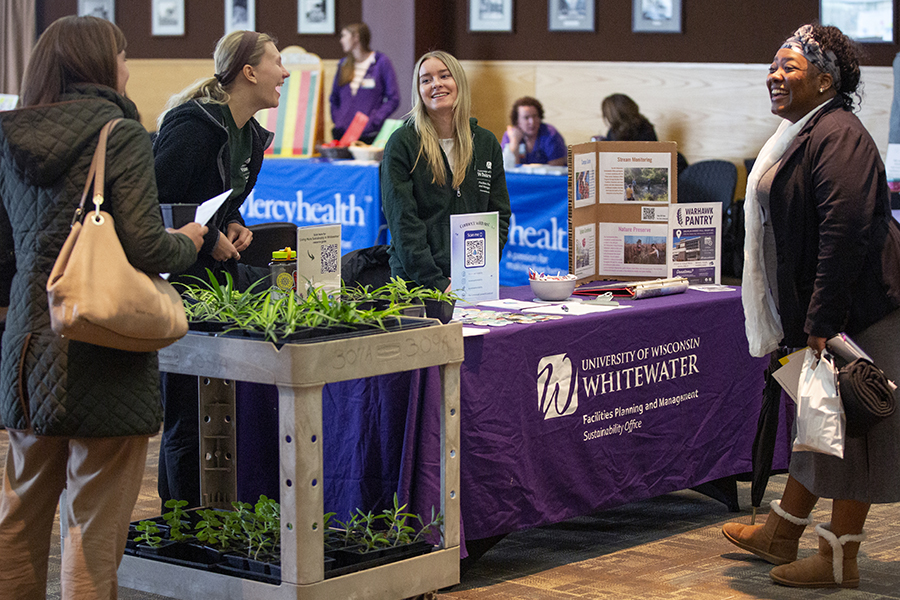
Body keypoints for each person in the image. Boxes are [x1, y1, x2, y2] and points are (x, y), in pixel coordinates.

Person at [0, 15, 206, 598]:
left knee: (18, 515)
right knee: (93, 525)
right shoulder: (119, 134)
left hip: (26, 352)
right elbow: (144, 244)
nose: (128, 67)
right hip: (102, 349)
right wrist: (188, 240)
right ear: (99, 65)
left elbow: (2, 256)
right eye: (121, 55)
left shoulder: (7, 134)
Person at [723, 24, 900, 589]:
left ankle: (839, 559)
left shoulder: (838, 134)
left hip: (861, 310)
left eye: (790, 66)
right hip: (828, 309)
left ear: (826, 80)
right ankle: (784, 528)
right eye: (773, 64)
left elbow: (842, 233)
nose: (775, 74)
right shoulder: (802, 131)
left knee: (854, 434)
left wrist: (822, 320)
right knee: (820, 424)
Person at [153, 30, 288, 508]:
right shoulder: (192, 126)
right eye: (278, 62)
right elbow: (155, 204)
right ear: (249, 73)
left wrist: (234, 223)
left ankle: (209, 520)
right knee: (188, 415)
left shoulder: (251, 138)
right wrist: (208, 236)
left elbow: (215, 200)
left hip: (214, 285)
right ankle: (180, 527)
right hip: (177, 286)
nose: (286, 72)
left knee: (215, 410)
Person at [381, 50, 511, 292]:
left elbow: (499, 215)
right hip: (415, 283)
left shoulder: (485, 143)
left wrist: (479, 270)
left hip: (473, 281)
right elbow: (403, 223)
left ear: (458, 82)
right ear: (418, 90)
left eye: (444, 76)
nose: (436, 84)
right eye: (426, 79)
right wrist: (435, 282)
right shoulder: (403, 142)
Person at [329, 23, 400, 144]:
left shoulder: (381, 62)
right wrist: (339, 120)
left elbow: (393, 98)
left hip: (369, 135)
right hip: (343, 134)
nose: (341, 40)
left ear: (356, 37)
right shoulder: (343, 65)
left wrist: (375, 120)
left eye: (344, 36)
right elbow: (334, 98)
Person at [500, 96, 567, 167]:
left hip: (546, 177)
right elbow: (509, 169)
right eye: (526, 118)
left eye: (535, 116)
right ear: (517, 121)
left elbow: (557, 169)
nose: (532, 122)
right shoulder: (510, 136)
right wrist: (514, 143)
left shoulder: (550, 134)